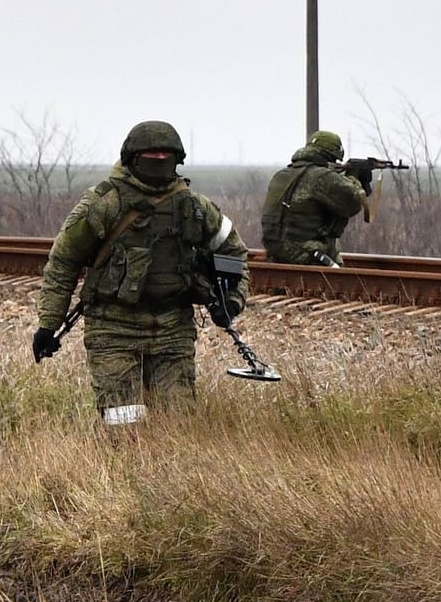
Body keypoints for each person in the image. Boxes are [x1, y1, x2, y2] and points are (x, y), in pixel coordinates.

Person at [33, 121, 249, 426]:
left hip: (173, 330)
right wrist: (49, 324)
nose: (159, 164)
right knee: (124, 424)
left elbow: (234, 253)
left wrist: (232, 300)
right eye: (152, 158)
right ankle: (127, 473)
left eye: (166, 158)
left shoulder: (194, 207)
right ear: (132, 160)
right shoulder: (105, 204)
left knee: (179, 425)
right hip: (114, 328)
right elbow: (63, 263)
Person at [260, 130, 369, 266]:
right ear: (329, 156)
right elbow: (352, 203)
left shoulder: (281, 175)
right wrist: (354, 177)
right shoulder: (321, 177)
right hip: (307, 256)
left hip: (276, 253)